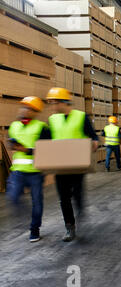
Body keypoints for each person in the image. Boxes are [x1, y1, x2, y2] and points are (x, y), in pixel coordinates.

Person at [46, 87, 99, 242]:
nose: (52, 106)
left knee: (76, 193)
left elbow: (93, 136)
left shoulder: (81, 117)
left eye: (54, 103)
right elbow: (47, 141)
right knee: (64, 198)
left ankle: (80, 208)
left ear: (63, 102)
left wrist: (94, 143)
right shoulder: (52, 120)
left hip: (77, 164)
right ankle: (70, 227)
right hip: (60, 166)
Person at [7, 97, 51, 242]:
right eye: (23, 107)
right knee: (13, 196)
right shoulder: (14, 126)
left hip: (35, 173)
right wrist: (12, 145)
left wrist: (26, 149)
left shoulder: (41, 128)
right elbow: (10, 142)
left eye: (28, 108)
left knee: (37, 202)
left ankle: (34, 229)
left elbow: (47, 150)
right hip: (18, 171)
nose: (24, 110)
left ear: (35, 112)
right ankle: (26, 218)